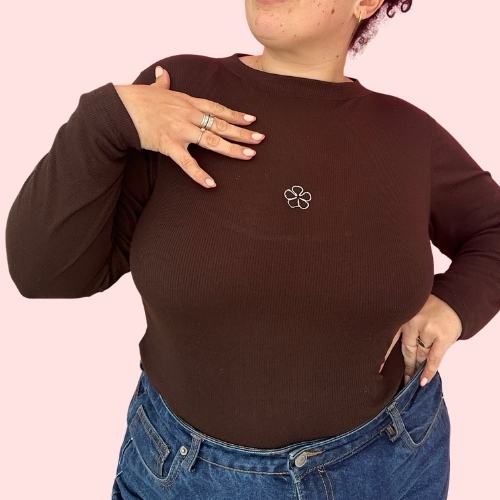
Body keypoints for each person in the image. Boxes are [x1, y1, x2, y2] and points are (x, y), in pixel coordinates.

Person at [5, 1, 500, 498]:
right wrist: (106, 118)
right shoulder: (177, 96)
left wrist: (455, 304)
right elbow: (46, 272)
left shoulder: (407, 135)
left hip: (383, 468)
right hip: (179, 474)